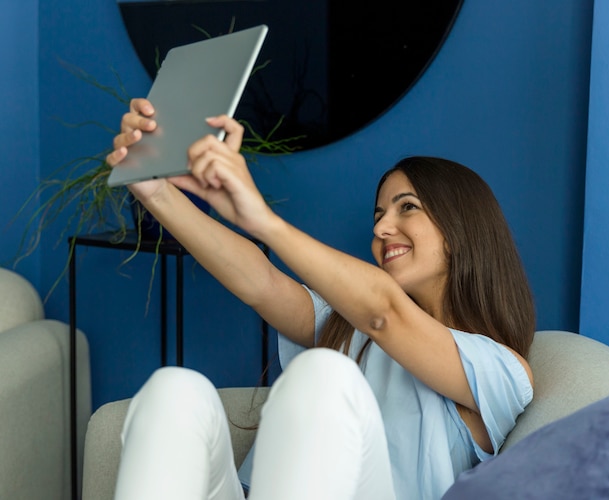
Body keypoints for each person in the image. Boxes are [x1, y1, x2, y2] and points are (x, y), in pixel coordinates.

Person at [106, 98, 536, 500]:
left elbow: (384, 312)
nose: (383, 228)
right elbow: (260, 281)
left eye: (407, 207)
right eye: (379, 214)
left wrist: (264, 222)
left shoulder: (500, 371)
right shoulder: (349, 328)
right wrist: (156, 192)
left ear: (464, 229)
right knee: (173, 390)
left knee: (325, 374)